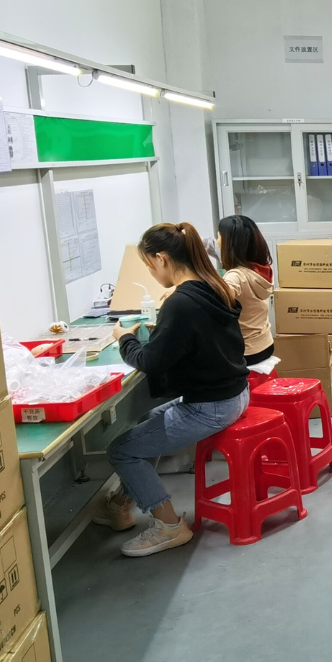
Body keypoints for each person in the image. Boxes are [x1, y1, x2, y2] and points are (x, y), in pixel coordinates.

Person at [94, 221, 249, 557]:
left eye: (150, 266)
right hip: (235, 393)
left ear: (162, 259)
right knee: (148, 420)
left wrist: (125, 338)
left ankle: (169, 525)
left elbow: (150, 362)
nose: (152, 274)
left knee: (121, 450)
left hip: (211, 406)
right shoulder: (213, 285)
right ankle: (122, 503)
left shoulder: (181, 303)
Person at [217, 214, 274, 366]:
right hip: (265, 344)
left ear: (229, 243)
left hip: (247, 352)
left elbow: (215, 303)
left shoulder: (235, 276)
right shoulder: (260, 270)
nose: (217, 242)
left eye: (219, 237)